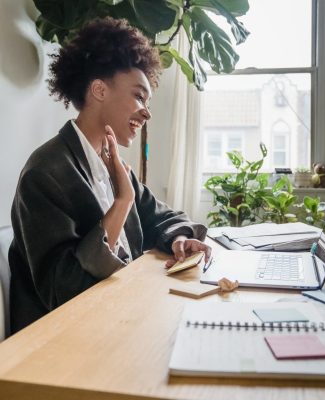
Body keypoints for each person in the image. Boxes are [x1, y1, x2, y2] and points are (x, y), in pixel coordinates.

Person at [9, 17, 210, 334]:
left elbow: (163, 217)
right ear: (99, 90)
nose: (147, 112)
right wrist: (121, 203)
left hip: (118, 314)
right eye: (139, 96)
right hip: (62, 340)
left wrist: (180, 239)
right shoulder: (45, 173)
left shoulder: (110, 164)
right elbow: (62, 290)